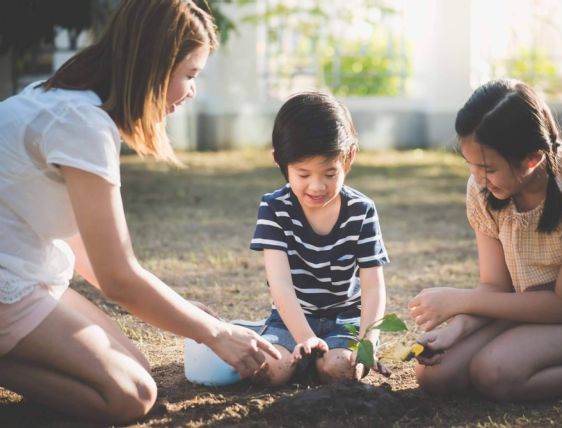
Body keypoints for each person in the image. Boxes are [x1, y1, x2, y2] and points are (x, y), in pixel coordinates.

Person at [0, 0, 280, 424]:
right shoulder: (80, 124)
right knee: (130, 396)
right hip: (9, 285)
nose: (191, 91)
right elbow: (118, 279)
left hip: (25, 272)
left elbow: (86, 250)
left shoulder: (62, 100)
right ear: (155, 64)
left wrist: (180, 309)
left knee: (137, 366)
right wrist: (217, 334)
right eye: (190, 74)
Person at [409, 79, 562, 400]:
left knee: (494, 372)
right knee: (435, 374)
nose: (477, 179)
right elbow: (496, 287)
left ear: (532, 160)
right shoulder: (483, 188)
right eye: (470, 165)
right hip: (533, 304)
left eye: (488, 168)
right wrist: (457, 329)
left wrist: (458, 300)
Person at [249, 92, 390, 385]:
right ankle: (304, 359)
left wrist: (367, 342)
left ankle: (319, 364)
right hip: (290, 319)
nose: (317, 186)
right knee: (269, 370)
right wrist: (306, 338)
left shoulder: (360, 210)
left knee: (342, 369)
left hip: (343, 319)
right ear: (280, 161)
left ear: (349, 157)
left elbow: (373, 286)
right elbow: (280, 285)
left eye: (329, 173)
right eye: (303, 174)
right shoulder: (274, 208)